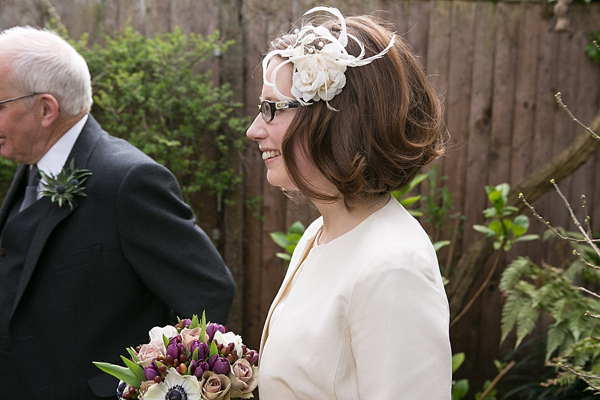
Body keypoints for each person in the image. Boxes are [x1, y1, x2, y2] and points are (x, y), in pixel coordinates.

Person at [0, 26, 235, 399]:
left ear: (45, 109)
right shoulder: (33, 165)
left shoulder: (128, 180)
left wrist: (148, 386)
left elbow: (207, 291)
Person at [246, 6, 452, 399]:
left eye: (272, 109)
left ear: (341, 119)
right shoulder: (321, 232)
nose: (254, 129)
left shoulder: (393, 266)